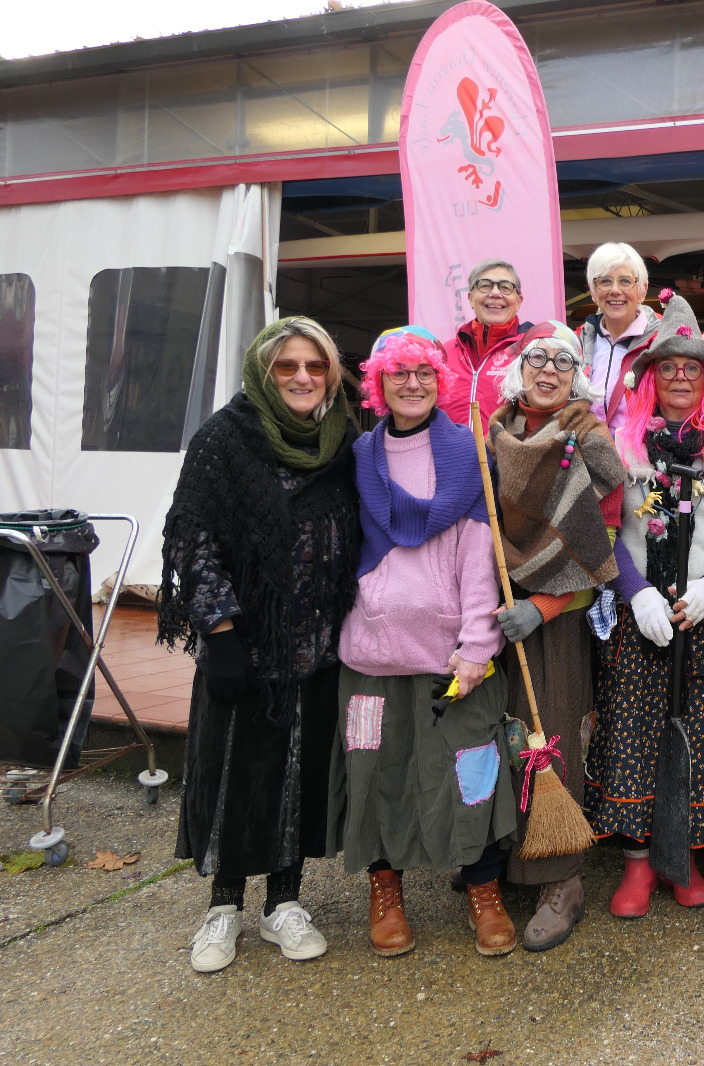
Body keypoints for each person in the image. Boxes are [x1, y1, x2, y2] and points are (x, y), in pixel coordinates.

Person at [157, 317, 361, 973]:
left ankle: (284, 903)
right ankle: (223, 907)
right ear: (263, 372)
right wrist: (219, 633)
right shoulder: (224, 438)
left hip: (320, 645)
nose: (303, 377)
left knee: (301, 774)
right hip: (245, 643)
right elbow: (192, 538)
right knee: (233, 774)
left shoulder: (341, 441)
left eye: (316, 366)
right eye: (287, 366)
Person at [327, 326, 519, 958]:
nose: (412, 384)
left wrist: (478, 646)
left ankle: (483, 890)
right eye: (398, 373)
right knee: (375, 769)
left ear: (441, 379)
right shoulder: (359, 457)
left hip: (452, 657)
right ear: (377, 385)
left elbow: (480, 562)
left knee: (471, 770)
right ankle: (386, 891)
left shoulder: (467, 452)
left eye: (424, 372)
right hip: (371, 653)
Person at [586, 293, 704, 915]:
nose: (680, 377)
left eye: (693, 368)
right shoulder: (621, 446)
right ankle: (637, 864)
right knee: (633, 733)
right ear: (651, 377)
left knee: (703, 734)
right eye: (668, 367)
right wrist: (636, 593)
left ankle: (682, 857)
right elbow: (608, 530)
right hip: (642, 616)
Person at [490, 320, 627, 951]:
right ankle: (502, 859)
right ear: (519, 369)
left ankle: (561, 880)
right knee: (496, 739)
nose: (548, 370)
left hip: (554, 619)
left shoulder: (588, 440)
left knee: (551, 736)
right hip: (489, 608)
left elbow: (599, 550)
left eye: (563, 362)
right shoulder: (493, 434)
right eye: (537, 359)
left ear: (577, 378)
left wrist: (541, 607)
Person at [440, 258, 534, 432]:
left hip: (506, 449)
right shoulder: (445, 352)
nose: (495, 293)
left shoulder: (533, 351)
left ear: (518, 301)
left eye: (505, 287)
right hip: (449, 449)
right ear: (470, 298)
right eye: (485, 285)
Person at [579, 242, 662, 432]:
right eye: (605, 281)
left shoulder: (662, 342)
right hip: (586, 449)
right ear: (593, 291)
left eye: (625, 281)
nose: (615, 290)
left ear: (642, 290)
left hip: (642, 449)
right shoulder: (578, 343)